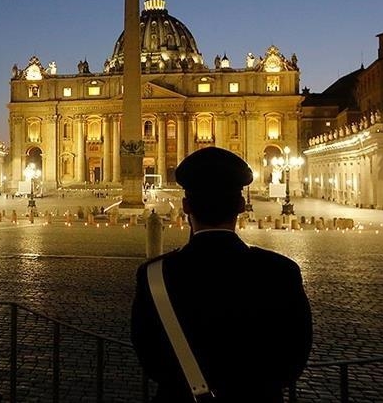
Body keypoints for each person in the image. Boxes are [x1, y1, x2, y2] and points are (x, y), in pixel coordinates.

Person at [131, 147, 311, 402]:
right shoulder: (280, 271)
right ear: (240, 205)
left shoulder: (154, 274)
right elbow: (294, 358)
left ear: (185, 206)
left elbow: (149, 357)